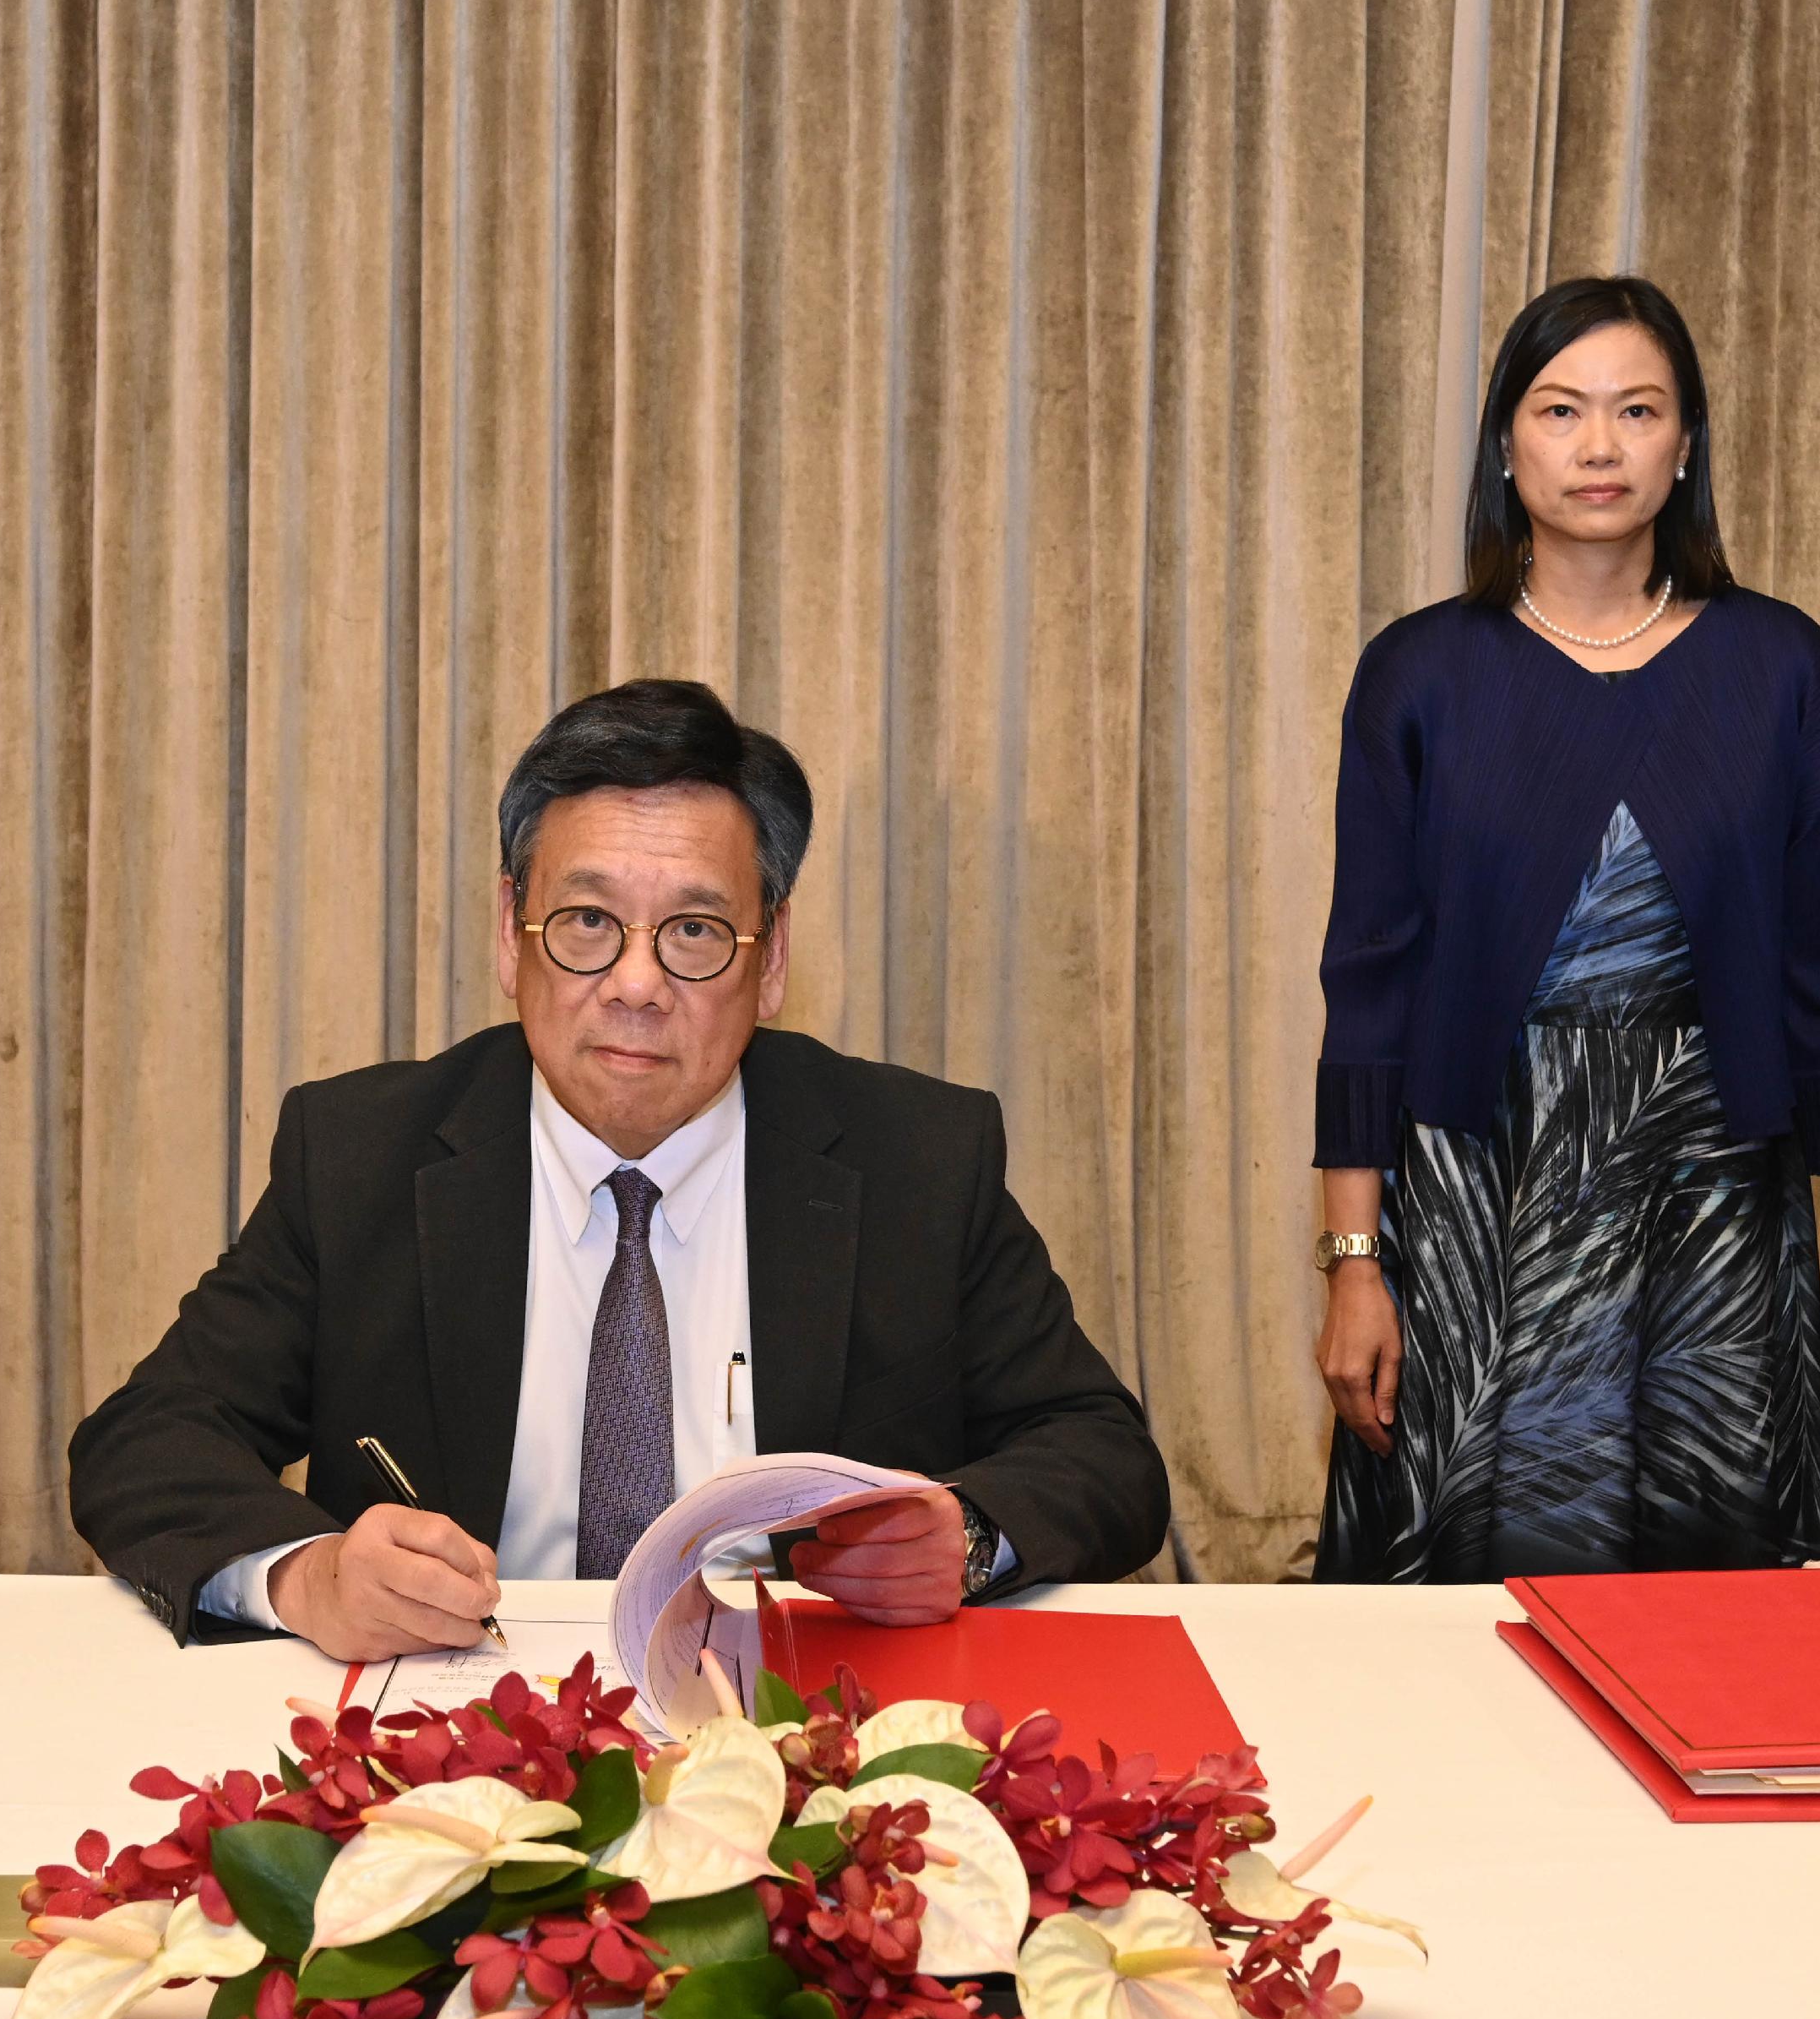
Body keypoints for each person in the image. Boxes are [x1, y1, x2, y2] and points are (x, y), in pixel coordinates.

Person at [69, 679, 1168, 1656]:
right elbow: (144, 1440)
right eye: (588, 921)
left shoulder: (916, 1159)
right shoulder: (362, 1155)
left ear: (770, 959)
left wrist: (966, 1538)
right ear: (512, 931)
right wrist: (308, 1577)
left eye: (694, 931)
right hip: (462, 1717)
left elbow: (1103, 1451)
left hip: (803, 1727)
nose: (637, 982)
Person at [1308, 275, 1820, 1582]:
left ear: (1685, 444)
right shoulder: (1420, 673)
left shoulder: (1782, 667)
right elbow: (1368, 989)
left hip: (1716, 1193)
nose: (1597, 445)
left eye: (1637, 410)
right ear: (1506, 445)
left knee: (1713, 1614)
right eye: (1560, 408)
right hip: (1478, 1190)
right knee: (1472, 1605)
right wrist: (1356, 1260)